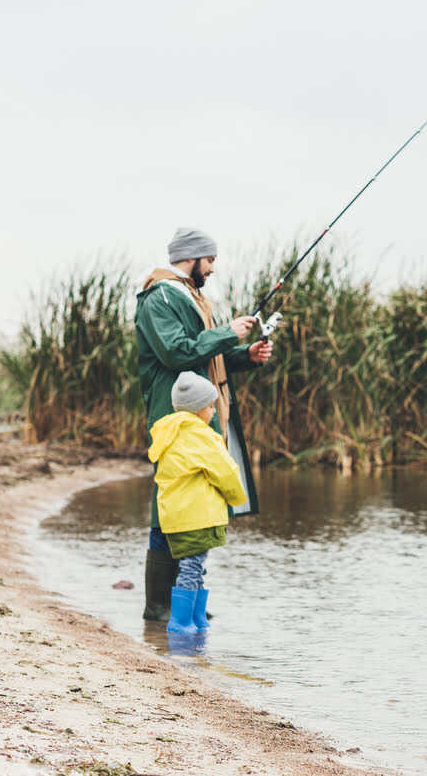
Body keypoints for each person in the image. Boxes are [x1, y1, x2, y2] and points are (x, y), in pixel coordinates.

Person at [135, 227, 273, 621]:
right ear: (190, 258)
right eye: (209, 260)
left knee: (194, 504)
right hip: (173, 417)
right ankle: (159, 607)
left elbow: (204, 358)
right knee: (168, 508)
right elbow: (176, 353)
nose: (212, 268)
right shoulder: (160, 298)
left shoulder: (191, 298)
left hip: (199, 416)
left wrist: (245, 355)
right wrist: (227, 333)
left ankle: (184, 600)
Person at [148, 371, 247, 633]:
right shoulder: (201, 436)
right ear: (197, 409)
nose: (213, 412)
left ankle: (197, 617)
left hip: (176, 517)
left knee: (194, 566)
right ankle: (181, 622)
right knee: (192, 567)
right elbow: (225, 471)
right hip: (198, 517)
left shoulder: (168, 434)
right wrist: (236, 497)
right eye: (210, 406)